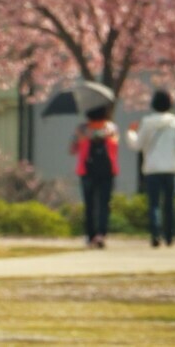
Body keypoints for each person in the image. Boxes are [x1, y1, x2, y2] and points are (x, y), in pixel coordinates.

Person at [127, 90, 175, 247]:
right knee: (169, 204)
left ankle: (155, 234)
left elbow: (137, 144)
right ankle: (170, 235)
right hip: (170, 168)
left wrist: (130, 133)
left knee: (154, 204)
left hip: (152, 169)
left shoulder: (147, 122)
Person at [69, 105, 120, 249]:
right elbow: (115, 146)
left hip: (86, 171)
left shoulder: (82, 129)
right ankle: (101, 234)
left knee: (89, 205)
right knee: (104, 204)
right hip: (107, 171)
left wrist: (81, 138)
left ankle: (90, 235)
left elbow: (72, 150)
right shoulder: (111, 128)